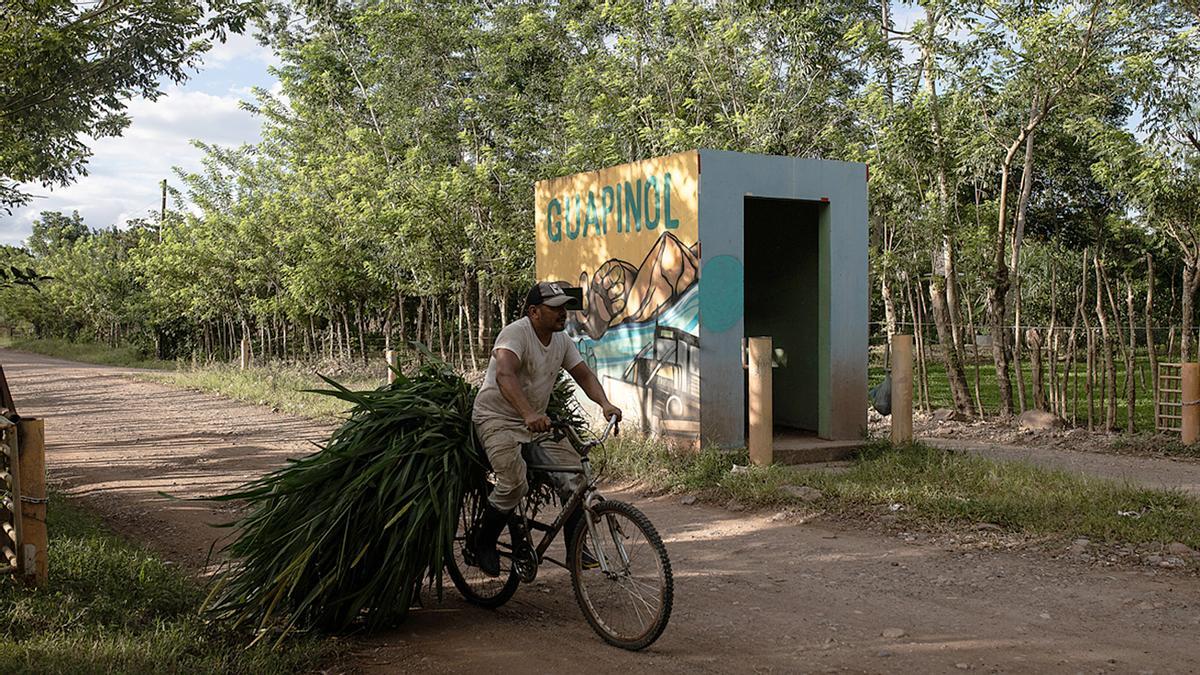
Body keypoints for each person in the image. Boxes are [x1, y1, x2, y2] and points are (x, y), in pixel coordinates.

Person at [469, 281, 622, 577]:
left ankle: (576, 548)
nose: (563, 313)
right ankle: (483, 542)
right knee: (514, 481)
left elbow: (584, 375)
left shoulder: (562, 341)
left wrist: (605, 403)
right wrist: (527, 412)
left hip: (535, 421)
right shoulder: (515, 333)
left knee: (575, 476)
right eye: (555, 308)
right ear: (534, 311)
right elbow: (504, 374)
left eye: (564, 307)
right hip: (496, 418)